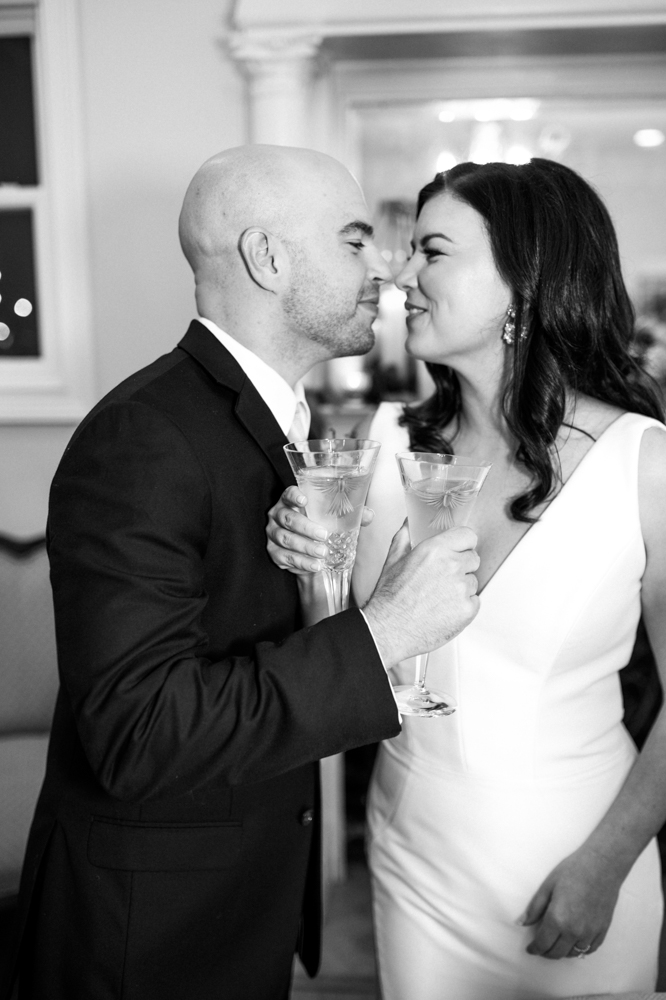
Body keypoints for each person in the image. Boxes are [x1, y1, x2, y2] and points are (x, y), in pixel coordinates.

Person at [1, 146, 483, 1000]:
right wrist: (384, 634)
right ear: (267, 258)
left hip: (230, 912)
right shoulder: (142, 438)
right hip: (144, 943)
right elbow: (138, 730)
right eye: (353, 240)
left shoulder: (284, 422)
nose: (385, 268)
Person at [266, 158, 666, 999]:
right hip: (414, 856)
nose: (399, 276)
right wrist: (309, 566)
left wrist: (606, 863)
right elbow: (343, 661)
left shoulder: (645, 463)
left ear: (524, 279)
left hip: (579, 855)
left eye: (432, 252)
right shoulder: (383, 452)